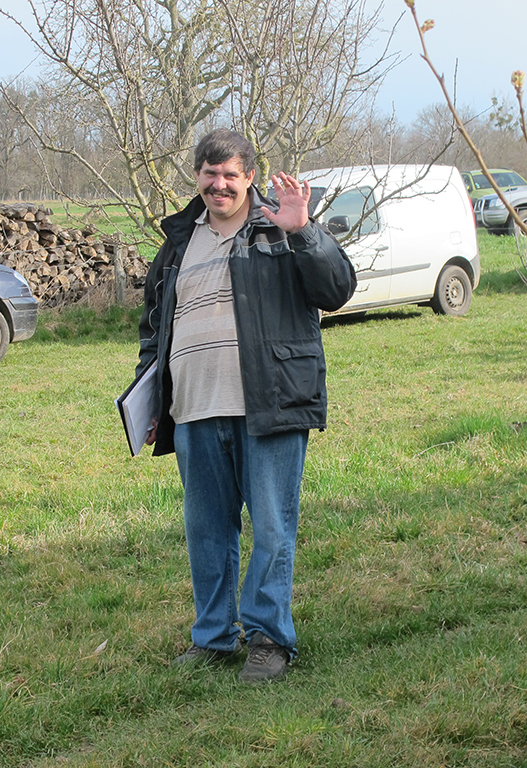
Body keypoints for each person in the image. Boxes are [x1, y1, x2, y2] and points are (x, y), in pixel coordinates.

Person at [134, 129, 356, 682]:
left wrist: (305, 232)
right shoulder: (178, 242)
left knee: (273, 529)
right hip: (194, 409)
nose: (220, 185)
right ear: (197, 177)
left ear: (250, 177)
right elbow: (154, 328)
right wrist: (151, 396)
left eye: (230, 175)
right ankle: (213, 637)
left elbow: (336, 289)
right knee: (207, 532)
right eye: (210, 174)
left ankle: (268, 639)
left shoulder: (279, 226)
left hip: (270, 403)